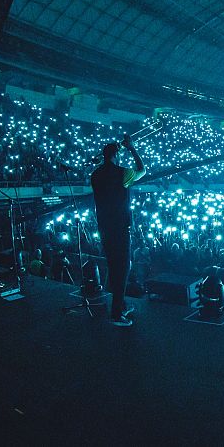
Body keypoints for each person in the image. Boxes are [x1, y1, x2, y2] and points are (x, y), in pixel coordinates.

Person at [91, 134, 145, 327]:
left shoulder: (95, 175)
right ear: (117, 155)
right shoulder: (123, 173)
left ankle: (120, 304)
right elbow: (142, 170)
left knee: (114, 266)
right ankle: (116, 313)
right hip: (120, 227)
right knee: (123, 267)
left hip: (104, 227)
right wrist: (131, 147)